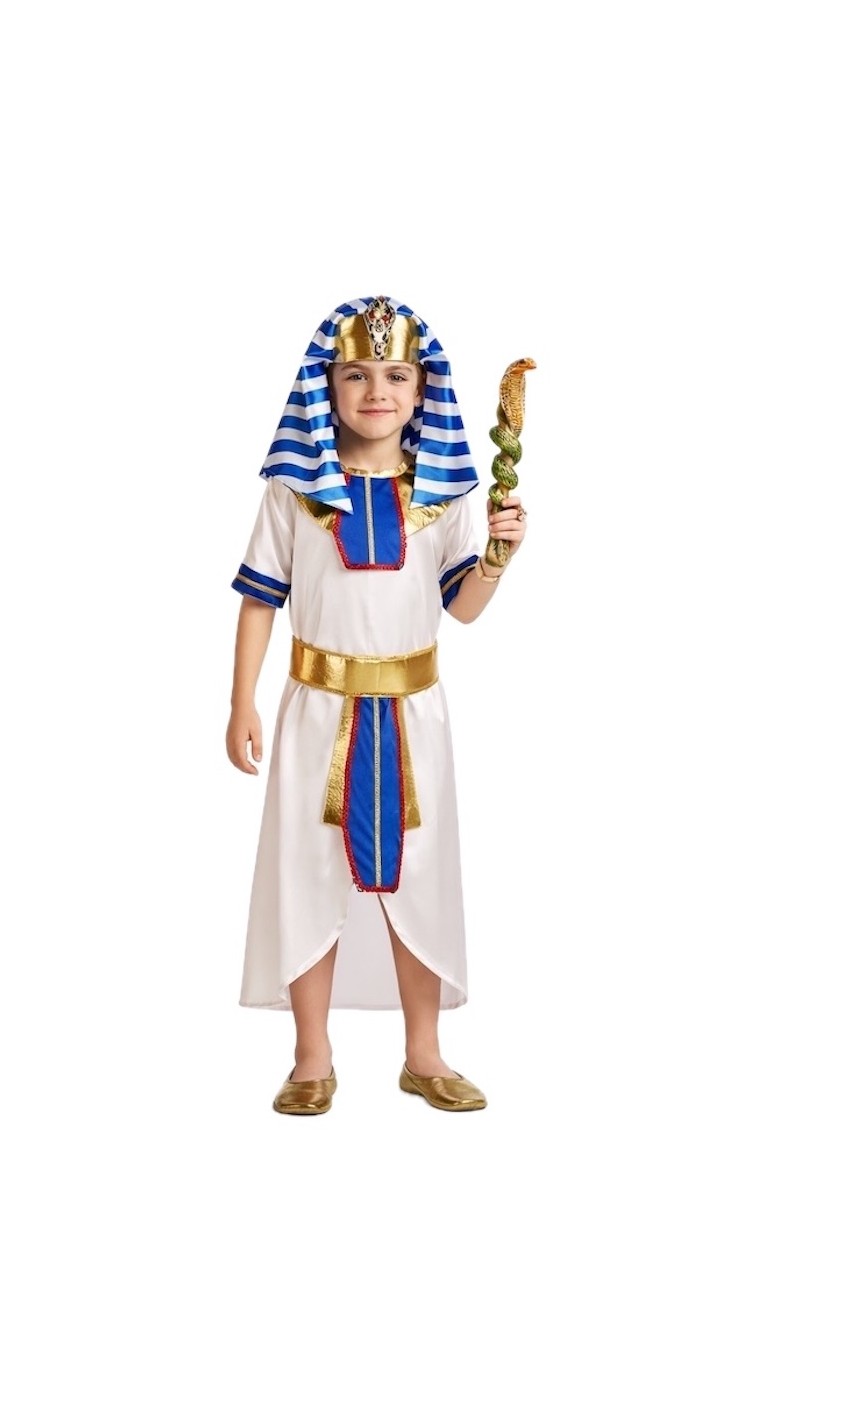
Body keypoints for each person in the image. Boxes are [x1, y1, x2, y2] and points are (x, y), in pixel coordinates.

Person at [225, 295, 527, 1115]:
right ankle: (311, 1056)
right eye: (356, 375)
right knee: (306, 873)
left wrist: (497, 557)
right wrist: (241, 702)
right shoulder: (296, 492)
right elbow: (259, 599)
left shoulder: (443, 494)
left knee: (419, 878)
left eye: (396, 375)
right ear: (327, 388)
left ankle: (424, 1054)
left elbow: (462, 608)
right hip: (315, 714)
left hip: (413, 718)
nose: (377, 392)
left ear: (422, 390)